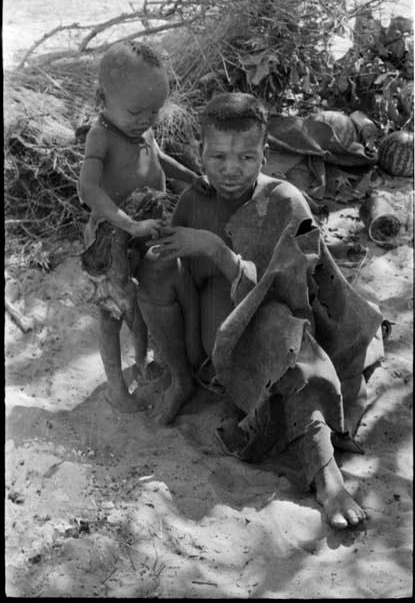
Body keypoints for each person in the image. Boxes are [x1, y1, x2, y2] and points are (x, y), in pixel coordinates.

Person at [135, 92, 384, 529]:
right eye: (219, 157)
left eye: (247, 157)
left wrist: (217, 250)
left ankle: (327, 477)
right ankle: (180, 380)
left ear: (265, 155)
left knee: (284, 341)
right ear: (201, 154)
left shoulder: (285, 202)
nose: (231, 169)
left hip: (261, 344)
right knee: (155, 268)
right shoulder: (194, 200)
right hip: (205, 347)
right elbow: (174, 276)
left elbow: (294, 301)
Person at [79, 40, 209, 413]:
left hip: (145, 227)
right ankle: (115, 387)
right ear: (103, 99)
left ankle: (140, 363)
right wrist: (127, 223)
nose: (146, 120)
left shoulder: (141, 130)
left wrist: (189, 175)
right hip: (111, 239)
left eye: (154, 112)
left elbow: (158, 156)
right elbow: (88, 188)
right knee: (111, 314)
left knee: (140, 305)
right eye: (137, 111)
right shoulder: (100, 135)